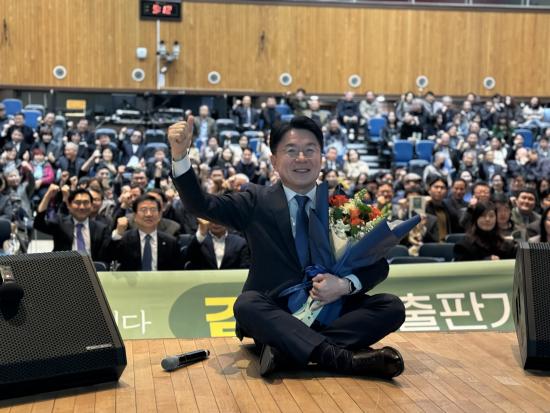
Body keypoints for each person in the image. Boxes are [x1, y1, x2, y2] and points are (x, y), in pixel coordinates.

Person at [168, 115, 405, 379]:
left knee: (391, 306)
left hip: (331, 310)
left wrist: (343, 285)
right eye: (291, 151)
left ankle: (289, 351)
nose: (301, 158)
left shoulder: (344, 206)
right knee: (246, 304)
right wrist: (180, 156)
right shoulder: (255, 200)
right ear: (274, 161)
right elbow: (201, 205)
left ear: (321, 157)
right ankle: (345, 359)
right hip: (276, 314)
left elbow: (378, 266)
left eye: (310, 150)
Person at [33, 185, 110, 263]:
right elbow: (38, 224)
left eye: (86, 202)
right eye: (77, 202)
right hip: (64, 267)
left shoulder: (101, 228)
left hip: (92, 268)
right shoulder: (61, 223)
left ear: (91, 205)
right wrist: (48, 195)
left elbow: (108, 254)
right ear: (69, 206)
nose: (82, 207)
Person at [110, 194, 184, 271]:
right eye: (143, 210)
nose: (149, 214)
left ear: (159, 215)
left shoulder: (171, 242)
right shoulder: (125, 239)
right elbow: (109, 258)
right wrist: (118, 234)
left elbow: (178, 271)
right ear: (135, 216)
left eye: (153, 210)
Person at [185, 218, 250, 270]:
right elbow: (188, 257)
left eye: (220, 219)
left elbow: (245, 268)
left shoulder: (240, 243)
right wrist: (201, 234)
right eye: (212, 219)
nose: (216, 223)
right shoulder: (199, 240)